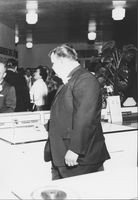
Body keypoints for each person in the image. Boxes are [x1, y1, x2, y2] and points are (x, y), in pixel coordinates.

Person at [46, 44, 110, 180]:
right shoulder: (71, 80)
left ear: (62, 61)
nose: (52, 68)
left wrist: (75, 149)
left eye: (53, 63)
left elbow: (85, 118)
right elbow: (67, 112)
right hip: (64, 154)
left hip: (79, 158)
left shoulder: (85, 80)